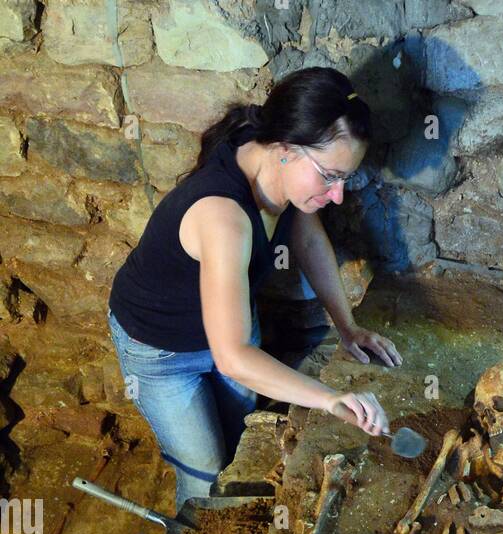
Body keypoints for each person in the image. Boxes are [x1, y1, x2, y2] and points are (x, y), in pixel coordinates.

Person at [108, 66, 400, 508]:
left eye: (345, 178)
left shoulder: (270, 157)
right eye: (330, 176)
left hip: (228, 328)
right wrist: (330, 400)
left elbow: (307, 236)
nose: (338, 195)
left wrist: (348, 326)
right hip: (161, 348)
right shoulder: (223, 216)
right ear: (285, 148)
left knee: (241, 438)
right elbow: (234, 357)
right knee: (205, 472)